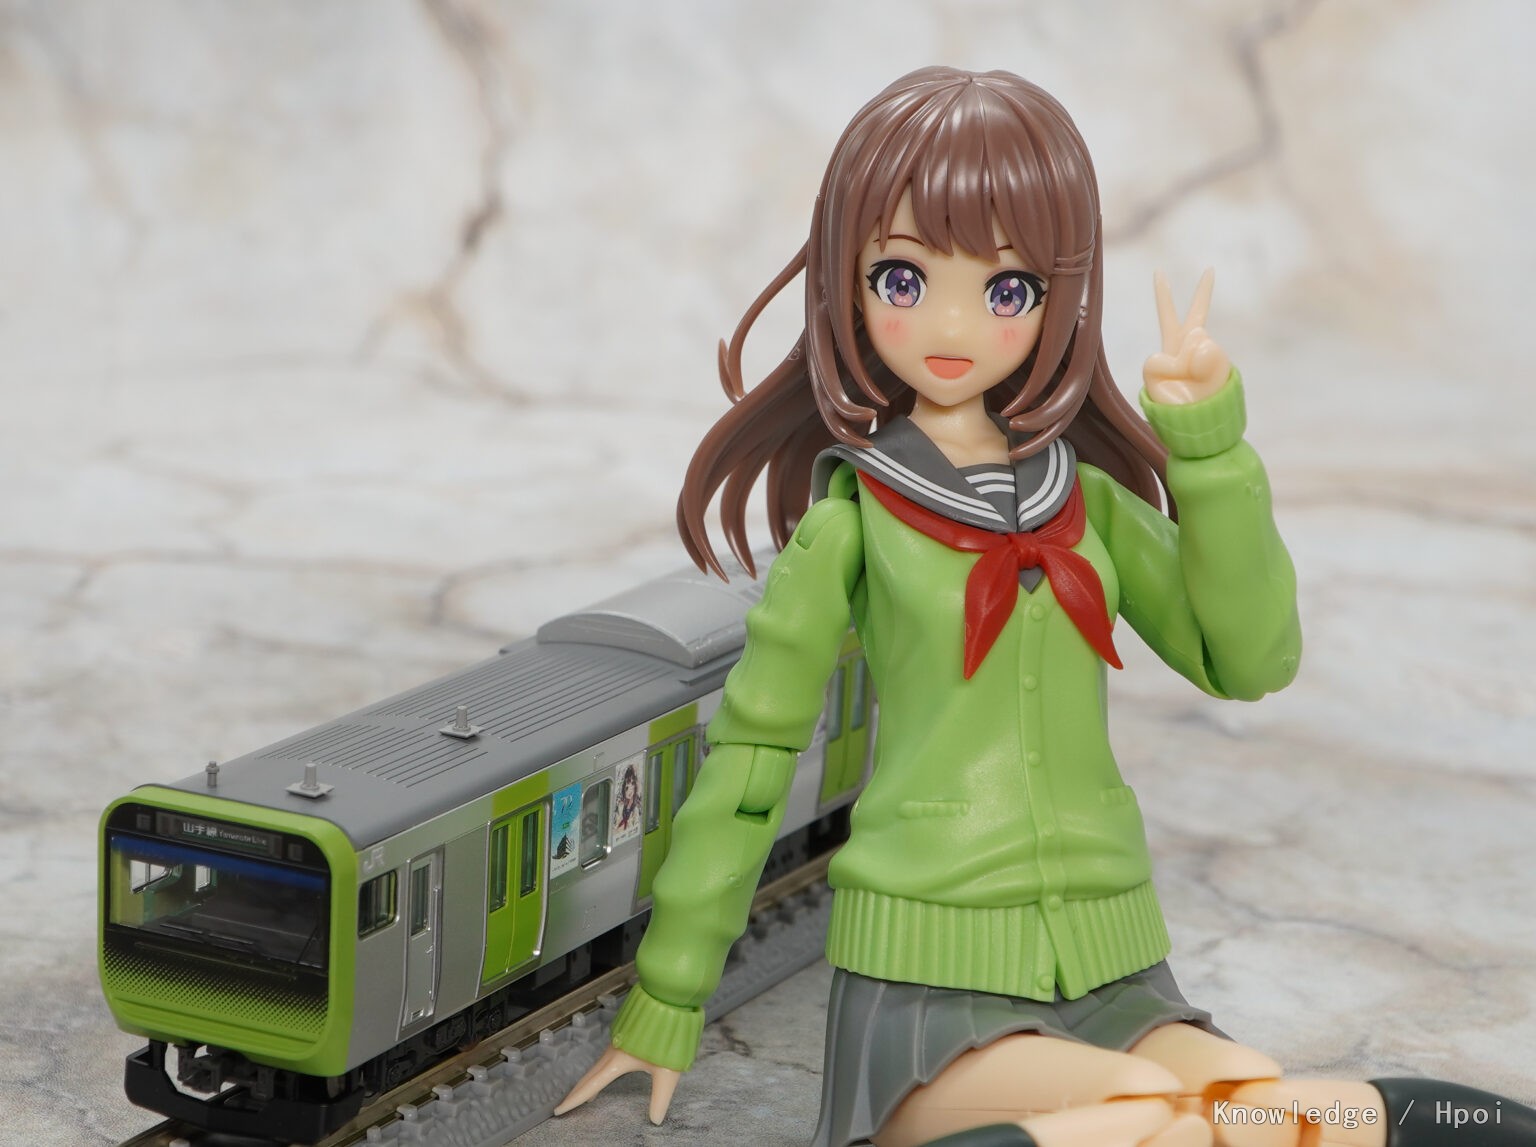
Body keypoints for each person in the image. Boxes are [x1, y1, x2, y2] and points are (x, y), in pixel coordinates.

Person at [557, 67, 1533, 1147]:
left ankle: (1406, 1119)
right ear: (846, 282)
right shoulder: (855, 523)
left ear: (1060, 298)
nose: (953, 322)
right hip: (930, 973)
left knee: (1252, 1096)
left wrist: (1209, 449)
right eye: (902, 276)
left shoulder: (1090, 503)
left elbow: (1250, 658)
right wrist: (668, 998)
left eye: (1007, 289)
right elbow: (751, 767)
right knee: (1143, 1117)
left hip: (1115, 960)